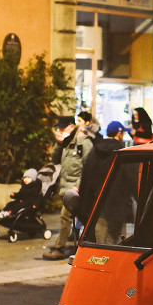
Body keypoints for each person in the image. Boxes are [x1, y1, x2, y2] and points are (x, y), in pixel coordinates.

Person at [43, 111, 100, 260]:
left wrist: (78, 186)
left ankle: (59, 248)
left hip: (75, 188)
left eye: (62, 128)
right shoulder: (67, 142)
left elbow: (88, 166)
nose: (60, 131)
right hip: (65, 186)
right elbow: (55, 159)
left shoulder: (83, 141)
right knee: (84, 217)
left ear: (71, 126)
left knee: (65, 216)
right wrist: (58, 143)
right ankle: (93, 243)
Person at [78, 120, 132, 244]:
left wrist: (84, 207)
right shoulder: (122, 153)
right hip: (118, 209)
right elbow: (129, 178)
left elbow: (86, 177)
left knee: (101, 249)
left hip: (98, 207)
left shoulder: (94, 151)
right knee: (117, 247)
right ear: (119, 134)